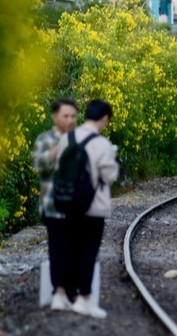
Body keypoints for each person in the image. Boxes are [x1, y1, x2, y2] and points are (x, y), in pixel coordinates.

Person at [55, 99, 119, 318]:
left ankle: (67, 294)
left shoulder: (67, 138)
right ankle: (84, 299)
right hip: (93, 207)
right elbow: (110, 175)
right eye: (107, 121)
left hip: (68, 205)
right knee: (88, 253)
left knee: (71, 249)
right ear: (103, 118)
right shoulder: (101, 144)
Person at [32, 98, 78, 310]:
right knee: (58, 248)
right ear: (55, 117)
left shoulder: (80, 139)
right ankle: (58, 292)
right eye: (65, 116)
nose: (70, 120)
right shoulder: (46, 139)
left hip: (78, 205)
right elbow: (38, 165)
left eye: (73, 116)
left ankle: (71, 292)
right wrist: (58, 150)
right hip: (53, 205)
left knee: (75, 249)